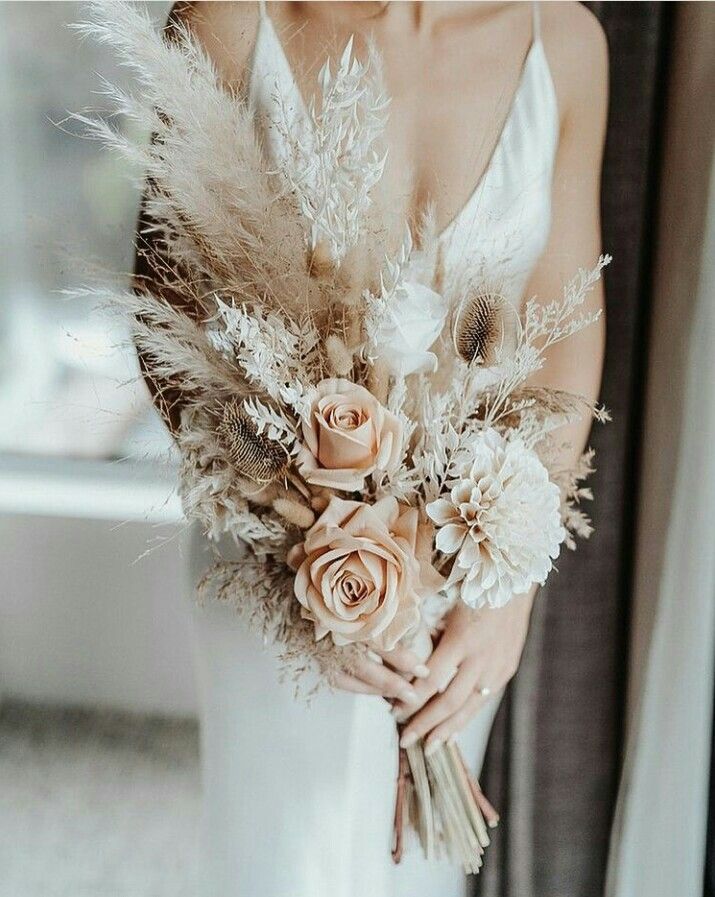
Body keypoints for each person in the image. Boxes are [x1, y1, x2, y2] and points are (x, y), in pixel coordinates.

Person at [134, 2, 607, 894]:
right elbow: (165, 318)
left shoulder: (568, 45)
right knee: (282, 858)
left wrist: (510, 582)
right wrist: (301, 550)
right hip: (268, 557)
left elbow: (564, 334)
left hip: (463, 572)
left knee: (415, 866)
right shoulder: (227, 19)